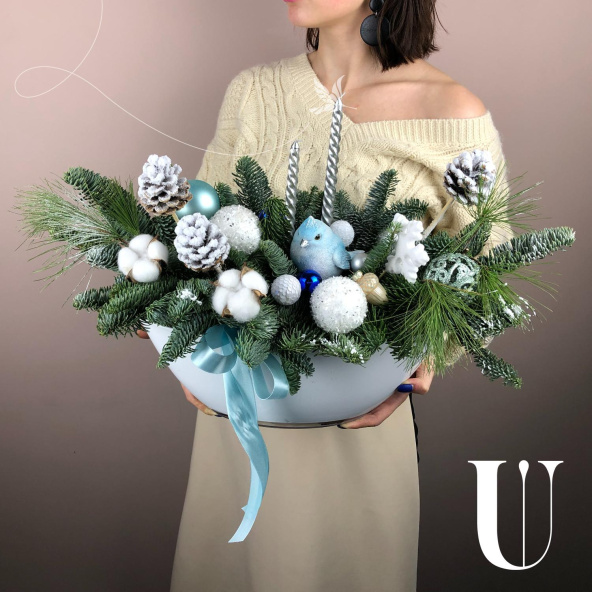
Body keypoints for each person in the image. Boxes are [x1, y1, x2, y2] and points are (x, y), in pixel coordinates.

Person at [139, 1, 510, 590]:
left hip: (356, 435)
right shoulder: (253, 93)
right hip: (240, 423)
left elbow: (489, 271)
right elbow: (197, 241)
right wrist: (184, 347)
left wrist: (428, 357)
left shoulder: (452, 113)